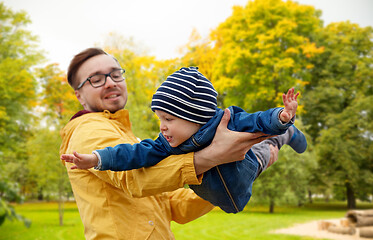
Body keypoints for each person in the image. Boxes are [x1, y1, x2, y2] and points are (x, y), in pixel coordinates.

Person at [60, 48, 276, 239]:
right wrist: (213, 156)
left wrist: (233, 173)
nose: (110, 82)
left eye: (116, 74)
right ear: (79, 95)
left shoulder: (125, 135)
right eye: (96, 79)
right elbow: (134, 179)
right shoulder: (88, 130)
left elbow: (176, 206)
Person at [62, 66, 307, 213]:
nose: (162, 127)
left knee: (266, 146)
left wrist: (282, 116)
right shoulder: (165, 144)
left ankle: (286, 133)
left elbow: (257, 120)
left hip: (247, 166)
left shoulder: (228, 120)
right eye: (160, 119)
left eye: (168, 119)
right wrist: (96, 158)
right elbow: (132, 153)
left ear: (195, 115)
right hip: (226, 196)